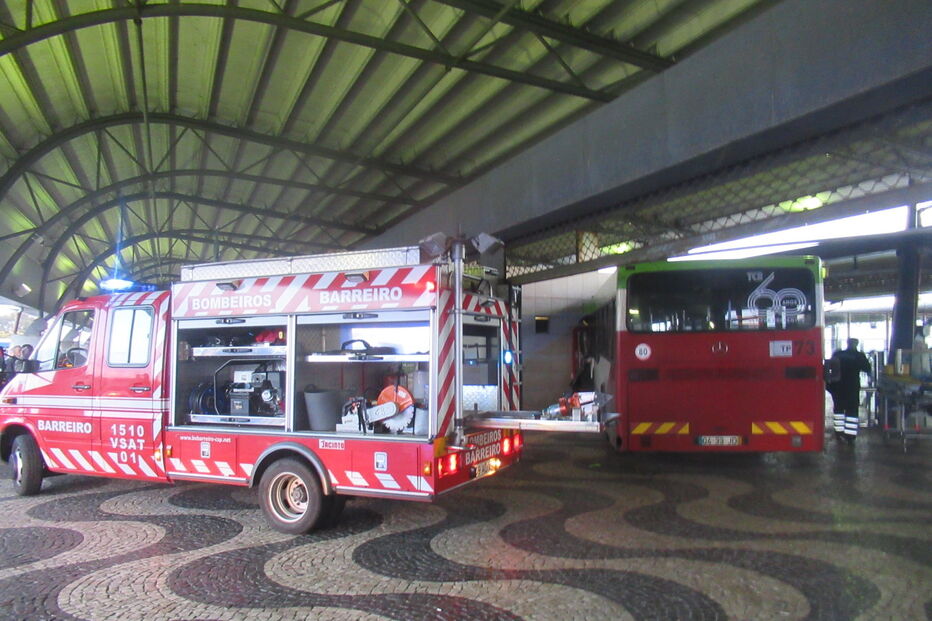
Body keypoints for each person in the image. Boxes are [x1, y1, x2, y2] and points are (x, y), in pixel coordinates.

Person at [829, 338, 871, 444]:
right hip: (852, 387)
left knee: (838, 409)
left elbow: (829, 367)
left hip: (837, 387)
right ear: (856, 344)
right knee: (851, 411)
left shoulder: (838, 354)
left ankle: (838, 433)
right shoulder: (858, 356)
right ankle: (850, 436)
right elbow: (867, 368)